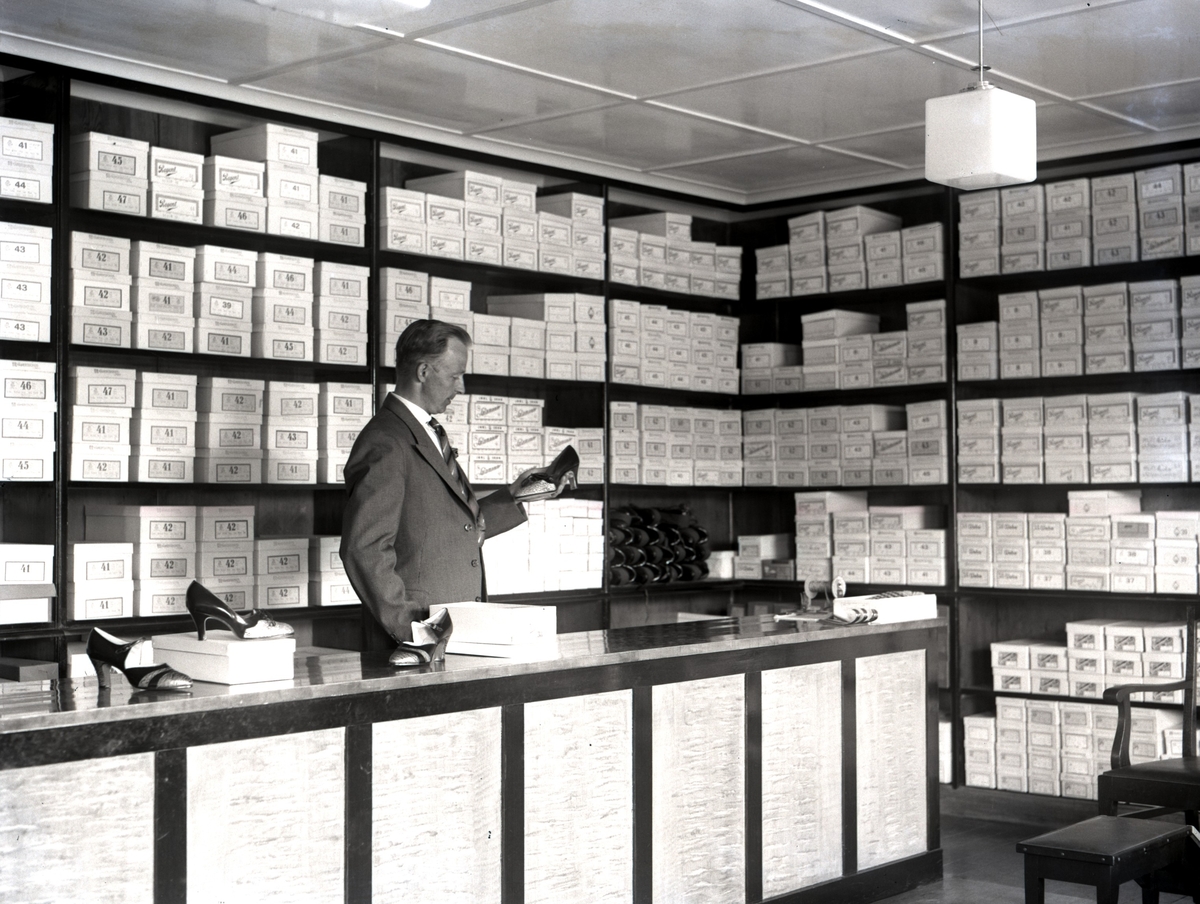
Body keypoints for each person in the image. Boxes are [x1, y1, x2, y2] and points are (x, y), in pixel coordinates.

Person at [341, 319, 565, 660]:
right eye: (455, 375)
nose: (461, 387)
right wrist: (416, 632)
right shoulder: (386, 441)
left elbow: (451, 527)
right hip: (417, 642)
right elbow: (364, 548)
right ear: (423, 371)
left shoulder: (426, 432)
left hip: (459, 631)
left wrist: (515, 495)